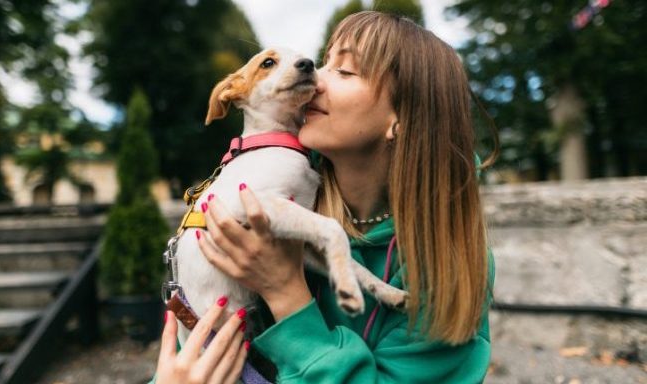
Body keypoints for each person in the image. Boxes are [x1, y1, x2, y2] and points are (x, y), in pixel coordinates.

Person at [155, 10, 498, 383]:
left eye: (345, 71)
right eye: (325, 63)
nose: (316, 80)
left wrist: (286, 293)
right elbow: (192, 342)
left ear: (401, 121)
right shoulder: (286, 184)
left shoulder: (442, 263)